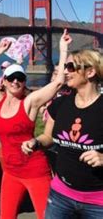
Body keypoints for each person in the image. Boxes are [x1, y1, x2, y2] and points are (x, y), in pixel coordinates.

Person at [0, 30, 70, 219]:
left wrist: (63, 50)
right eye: (11, 78)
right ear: (4, 81)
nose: (16, 81)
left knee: (46, 217)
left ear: (24, 82)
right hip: (10, 172)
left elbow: (58, 82)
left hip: (35, 172)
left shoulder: (29, 102)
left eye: (20, 78)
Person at [22, 49, 103, 218]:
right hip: (60, 196)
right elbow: (48, 137)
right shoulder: (60, 104)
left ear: (90, 71)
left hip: (98, 202)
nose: (65, 71)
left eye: (71, 67)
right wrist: (35, 142)